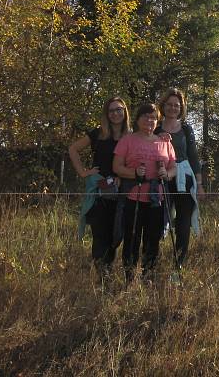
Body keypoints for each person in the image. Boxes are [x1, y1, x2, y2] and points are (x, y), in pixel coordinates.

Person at [112, 102, 177, 278]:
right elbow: (117, 166)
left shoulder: (164, 142)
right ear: (138, 119)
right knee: (132, 236)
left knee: (153, 238)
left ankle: (148, 274)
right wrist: (133, 173)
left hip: (157, 197)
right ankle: (129, 275)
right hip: (134, 196)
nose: (150, 120)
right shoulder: (128, 140)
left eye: (154, 118)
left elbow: (173, 167)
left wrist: (167, 174)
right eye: (146, 116)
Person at [69, 97, 129, 274]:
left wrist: (122, 176)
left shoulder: (131, 135)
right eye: (111, 110)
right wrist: (83, 172)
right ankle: (102, 276)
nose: (115, 113)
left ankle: (108, 270)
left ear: (125, 112)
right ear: (106, 113)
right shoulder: (97, 133)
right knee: (100, 233)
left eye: (119, 109)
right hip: (99, 190)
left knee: (116, 234)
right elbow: (73, 149)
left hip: (121, 191)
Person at [155, 88, 203, 265]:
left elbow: (194, 156)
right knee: (159, 219)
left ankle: (179, 263)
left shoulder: (186, 129)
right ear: (163, 106)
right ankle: (153, 260)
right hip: (160, 178)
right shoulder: (155, 127)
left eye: (177, 105)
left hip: (185, 179)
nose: (173, 108)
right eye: (169, 104)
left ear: (181, 108)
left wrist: (199, 183)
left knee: (183, 223)